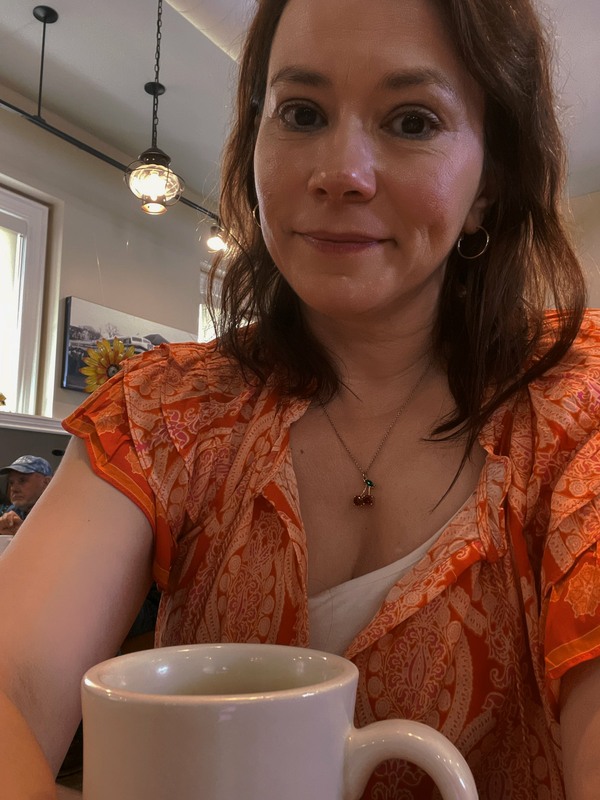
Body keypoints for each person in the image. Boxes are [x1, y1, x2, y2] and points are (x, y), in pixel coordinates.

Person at [1, 0, 599, 797]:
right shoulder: (164, 409)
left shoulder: (579, 402)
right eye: (303, 113)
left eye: (413, 121)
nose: (340, 172)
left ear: (489, 184)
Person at [0, 455, 53, 535]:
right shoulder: (14, 510)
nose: (14, 489)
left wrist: (24, 533)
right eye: (11, 483)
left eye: (22, 481)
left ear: (46, 483)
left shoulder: (60, 512)